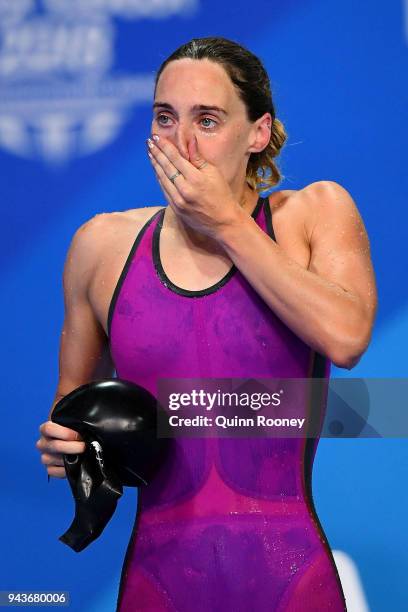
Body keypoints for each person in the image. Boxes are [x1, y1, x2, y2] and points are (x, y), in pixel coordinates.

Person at [36, 36, 377, 611]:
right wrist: (66, 448)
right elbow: (71, 411)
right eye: (165, 118)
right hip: (158, 581)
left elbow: (346, 337)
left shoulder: (311, 215)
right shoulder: (101, 248)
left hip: (290, 582)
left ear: (258, 133)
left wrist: (225, 222)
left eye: (209, 120)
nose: (183, 144)